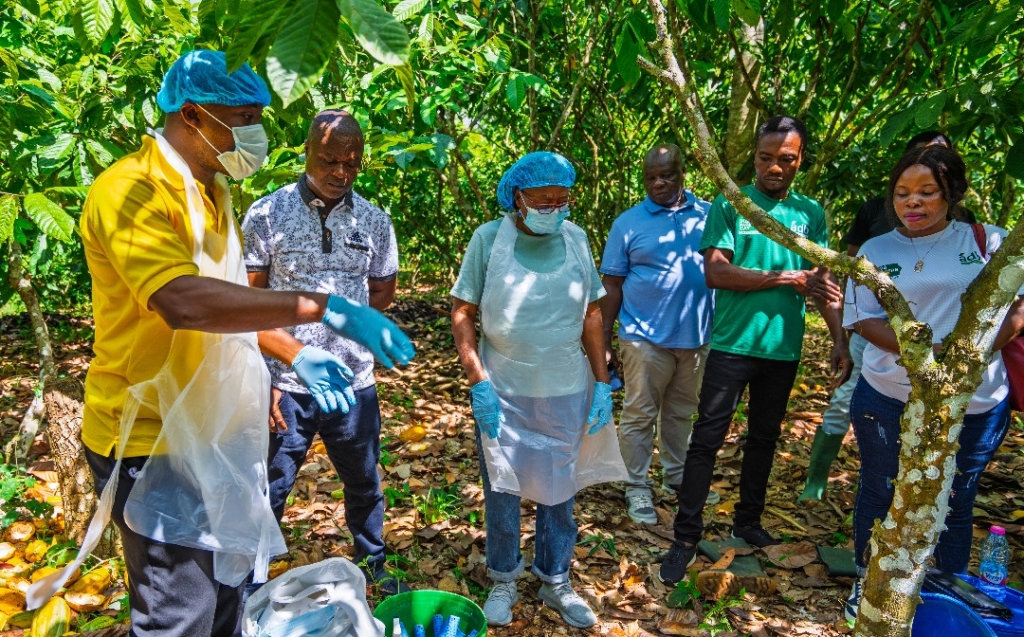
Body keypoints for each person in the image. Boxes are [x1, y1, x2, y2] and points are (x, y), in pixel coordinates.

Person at [47, 50, 414, 637]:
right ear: (192, 116)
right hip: (151, 437)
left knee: (227, 597)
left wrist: (292, 354)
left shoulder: (212, 191)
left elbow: (229, 306)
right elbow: (185, 301)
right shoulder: (132, 191)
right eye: (243, 117)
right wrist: (323, 307)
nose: (255, 133)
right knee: (179, 613)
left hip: (212, 430)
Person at [659, 115, 851, 586]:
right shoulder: (732, 204)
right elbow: (717, 274)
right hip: (732, 344)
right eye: (766, 158)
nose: (774, 167)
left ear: (800, 160)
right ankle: (685, 536)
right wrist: (784, 277)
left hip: (782, 349)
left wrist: (840, 338)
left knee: (764, 439)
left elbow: (821, 281)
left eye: (786, 159)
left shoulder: (810, 214)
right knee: (707, 438)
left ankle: (748, 523)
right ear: (755, 157)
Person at [842, 144, 1022, 621]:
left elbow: (1018, 310)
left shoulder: (989, 242)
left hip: (976, 400)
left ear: (952, 194)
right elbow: (862, 318)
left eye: (926, 192)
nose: (912, 203)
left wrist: (965, 357)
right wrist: (927, 355)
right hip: (889, 394)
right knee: (880, 489)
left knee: (955, 499)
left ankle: (944, 597)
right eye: (902, 194)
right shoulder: (875, 251)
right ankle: (871, 588)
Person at [451, 152, 627, 629]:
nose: (555, 208)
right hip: (503, 386)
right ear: (517, 198)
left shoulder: (576, 239)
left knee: (559, 489)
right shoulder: (489, 239)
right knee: (503, 488)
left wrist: (601, 382)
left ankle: (555, 578)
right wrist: (477, 380)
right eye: (544, 200)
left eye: (563, 200)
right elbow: (463, 311)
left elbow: (592, 313)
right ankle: (504, 576)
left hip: (564, 386)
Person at [242, 110, 408, 595]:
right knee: (271, 485)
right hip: (285, 383)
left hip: (353, 382)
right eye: (329, 160)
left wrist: (346, 340)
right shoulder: (266, 214)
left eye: (351, 163)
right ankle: (250, 577)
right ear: (307, 152)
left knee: (363, 479)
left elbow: (382, 292)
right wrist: (269, 370)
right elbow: (249, 303)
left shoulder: (374, 220)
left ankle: (372, 559)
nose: (340, 172)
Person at [799, 130, 973, 502]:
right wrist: (840, 339)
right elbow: (852, 276)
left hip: (944, 348)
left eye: (931, 185)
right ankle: (816, 483)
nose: (915, 199)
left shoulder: (970, 230)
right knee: (845, 401)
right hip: (876, 337)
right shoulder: (875, 212)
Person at [600, 144, 716, 525]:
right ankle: (636, 486)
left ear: (683, 172)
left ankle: (677, 477)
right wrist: (602, 342)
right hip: (643, 336)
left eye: (666, 174)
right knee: (638, 412)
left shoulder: (709, 215)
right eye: (651, 177)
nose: (659, 183)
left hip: (695, 335)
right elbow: (612, 285)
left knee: (682, 412)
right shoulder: (628, 223)